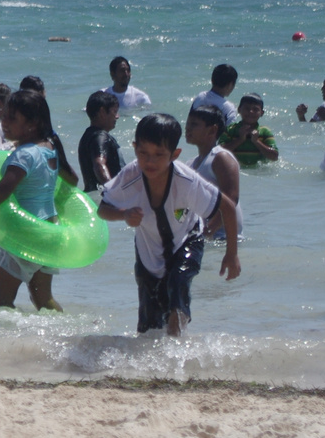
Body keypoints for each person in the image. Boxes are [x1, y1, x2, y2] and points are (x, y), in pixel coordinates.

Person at [98, 113, 242, 336]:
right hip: (147, 251)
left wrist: (231, 254)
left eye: (159, 155)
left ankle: (176, 358)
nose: (150, 161)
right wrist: (124, 214)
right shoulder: (131, 175)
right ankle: (151, 364)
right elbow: (103, 210)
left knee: (177, 293)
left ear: (175, 155)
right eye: (143, 153)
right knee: (149, 326)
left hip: (187, 241)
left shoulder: (187, 181)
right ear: (135, 148)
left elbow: (229, 207)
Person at [0, 89, 79, 312]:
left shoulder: (24, 154)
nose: (4, 122)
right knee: (42, 298)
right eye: (5, 115)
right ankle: (62, 332)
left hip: (24, 234)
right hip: (50, 231)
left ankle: (11, 341)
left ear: (31, 124)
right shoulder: (49, 149)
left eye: (12, 118)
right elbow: (73, 180)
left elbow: (3, 189)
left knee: (1, 296)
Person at [185, 106, 241, 239]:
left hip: (225, 239)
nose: (187, 128)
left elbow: (231, 198)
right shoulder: (190, 164)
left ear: (212, 130)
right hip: (204, 239)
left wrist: (212, 226)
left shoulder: (221, 157)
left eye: (194, 124)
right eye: (187, 123)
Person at [77, 91, 123, 192]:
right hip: (103, 197)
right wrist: (113, 192)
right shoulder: (100, 137)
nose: (117, 116)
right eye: (114, 111)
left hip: (92, 196)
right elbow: (99, 164)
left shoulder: (87, 136)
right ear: (102, 112)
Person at [221, 94, 278, 165]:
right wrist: (240, 139)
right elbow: (218, 153)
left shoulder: (265, 131)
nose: (251, 111)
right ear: (239, 110)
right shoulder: (230, 130)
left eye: (255, 109)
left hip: (258, 173)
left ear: (261, 113)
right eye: (247, 108)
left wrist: (256, 141)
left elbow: (275, 156)